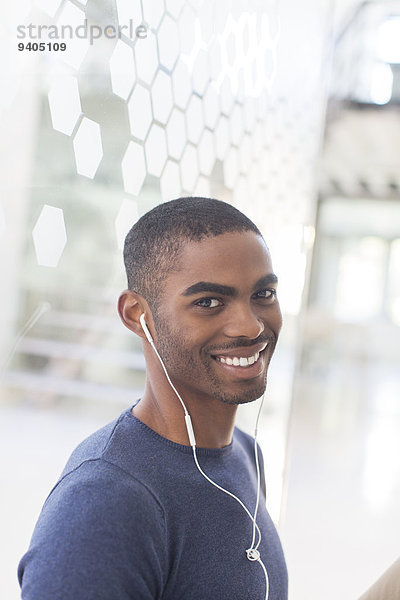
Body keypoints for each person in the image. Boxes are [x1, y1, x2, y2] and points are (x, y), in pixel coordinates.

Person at [18, 197, 288, 599]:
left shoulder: (246, 455)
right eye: (208, 302)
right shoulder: (106, 500)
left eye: (263, 294)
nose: (249, 326)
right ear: (136, 315)